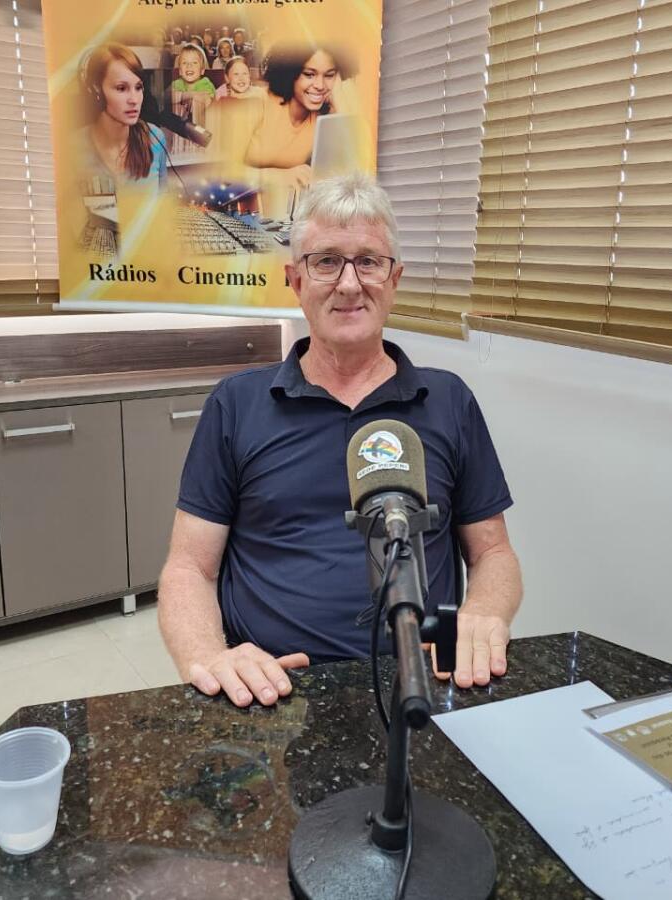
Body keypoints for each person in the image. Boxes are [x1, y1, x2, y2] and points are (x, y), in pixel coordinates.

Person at [158, 173, 522, 709]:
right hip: (275, 689)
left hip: (424, 679)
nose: (349, 284)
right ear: (295, 280)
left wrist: (484, 613)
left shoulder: (449, 401)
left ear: (394, 279)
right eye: (326, 261)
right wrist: (211, 655)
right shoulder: (236, 404)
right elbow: (190, 567)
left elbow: (493, 552)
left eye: (368, 261)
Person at [244, 43, 353, 191]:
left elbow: (352, 164)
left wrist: (338, 97)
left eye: (329, 75)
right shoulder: (258, 102)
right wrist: (280, 176)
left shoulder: (323, 118)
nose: (320, 85)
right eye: (309, 74)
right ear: (290, 73)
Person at [75, 42, 167, 186]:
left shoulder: (155, 138)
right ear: (96, 89)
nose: (134, 100)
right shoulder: (73, 148)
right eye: (121, 88)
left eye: (138, 87)